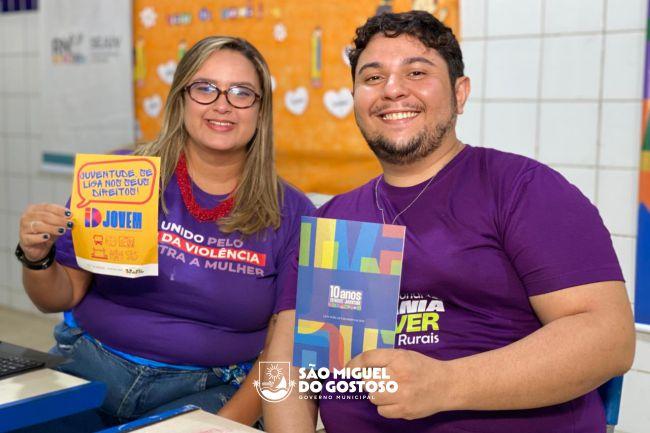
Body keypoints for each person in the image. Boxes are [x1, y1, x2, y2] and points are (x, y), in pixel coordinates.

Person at [263, 11, 636, 433]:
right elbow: (285, 364)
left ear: (460, 94)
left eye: (416, 72)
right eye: (373, 77)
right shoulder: (332, 219)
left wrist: (446, 384)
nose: (392, 89)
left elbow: (610, 339)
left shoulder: (522, 190)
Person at [16, 36, 314, 430]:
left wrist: (223, 424)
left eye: (242, 93)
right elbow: (59, 296)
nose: (222, 104)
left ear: (261, 111)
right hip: (90, 365)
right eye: (205, 88)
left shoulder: (292, 212)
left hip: (211, 388)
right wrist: (37, 258)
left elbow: (282, 351)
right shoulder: (121, 175)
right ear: (181, 98)